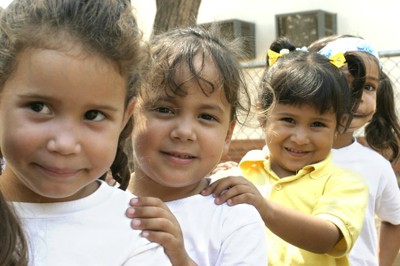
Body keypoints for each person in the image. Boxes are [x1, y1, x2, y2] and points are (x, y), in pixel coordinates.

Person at [0, 0, 171, 265]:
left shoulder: (136, 230)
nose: (65, 144)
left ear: (126, 117)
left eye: (94, 115)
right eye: (39, 107)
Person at [202, 50, 369, 265]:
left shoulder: (345, 183)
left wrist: (264, 207)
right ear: (263, 115)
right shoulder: (245, 170)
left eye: (317, 124)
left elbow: (326, 239)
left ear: (340, 124)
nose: (300, 138)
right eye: (289, 120)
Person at [125, 27, 268, 265]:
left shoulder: (233, 217)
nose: (184, 132)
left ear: (228, 134)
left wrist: (180, 259)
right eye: (164, 110)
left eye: (206, 117)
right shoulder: (96, 200)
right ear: (129, 115)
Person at [309, 36, 400, 266]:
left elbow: (395, 219)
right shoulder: (290, 155)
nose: (358, 96)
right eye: (345, 83)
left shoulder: (376, 166)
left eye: (369, 86)